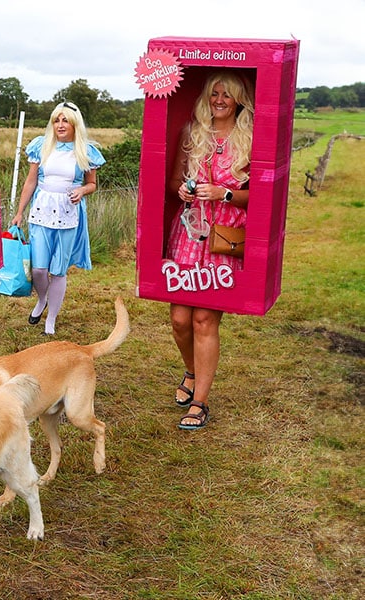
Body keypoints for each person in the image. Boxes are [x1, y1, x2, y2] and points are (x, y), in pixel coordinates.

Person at [166, 71, 254, 430]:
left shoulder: (250, 138)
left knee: (204, 319)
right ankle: (191, 369)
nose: (219, 100)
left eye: (227, 95)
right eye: (214, 93)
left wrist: (225, 193)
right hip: (190, 231)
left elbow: (260, 196)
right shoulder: (192, 132)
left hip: (224, 236)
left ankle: (199, 402)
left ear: (238, 101)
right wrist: (183, 191)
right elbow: (173, 181)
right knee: (179, 319)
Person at [12, 101, 105, 336]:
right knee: (40, 269)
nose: (60, 125)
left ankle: (50, 320)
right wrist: (20, 212)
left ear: (75, 124)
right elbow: (31, 181)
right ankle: (42, 299)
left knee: (58, 270)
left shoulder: (86, 151)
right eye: (56, 120)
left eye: (65, 120)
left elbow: (92, 184)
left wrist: (82, 191)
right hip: (41, 211)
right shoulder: (41, 146)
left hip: (68, 215)